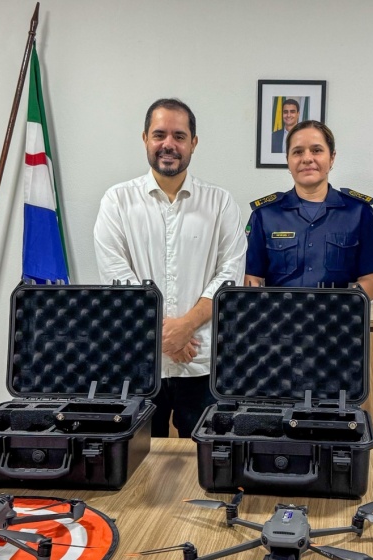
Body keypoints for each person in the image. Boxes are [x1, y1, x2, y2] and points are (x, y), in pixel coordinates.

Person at [94, 98, 246, 438]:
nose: (169, 144)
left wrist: (185, 327)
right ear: (145, 138)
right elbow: (116, 275)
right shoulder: (117, 201)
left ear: (193, 142)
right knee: (140, 463)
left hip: (202, 362)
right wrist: (166, 336)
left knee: (206, 459)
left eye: (179, 136)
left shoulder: (220, 202)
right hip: (138, 361)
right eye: (159, 134)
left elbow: (230, 275)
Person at [245, 120, 373, 299]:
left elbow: (372, 278)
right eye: (298, 152)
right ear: (288, 160)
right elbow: (251, 278)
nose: (307, 158)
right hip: (280, 315)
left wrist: (338, 306)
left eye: (316, 150)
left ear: (332, 157)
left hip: (339, 315)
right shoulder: (265, 215)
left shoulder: (359, 212)